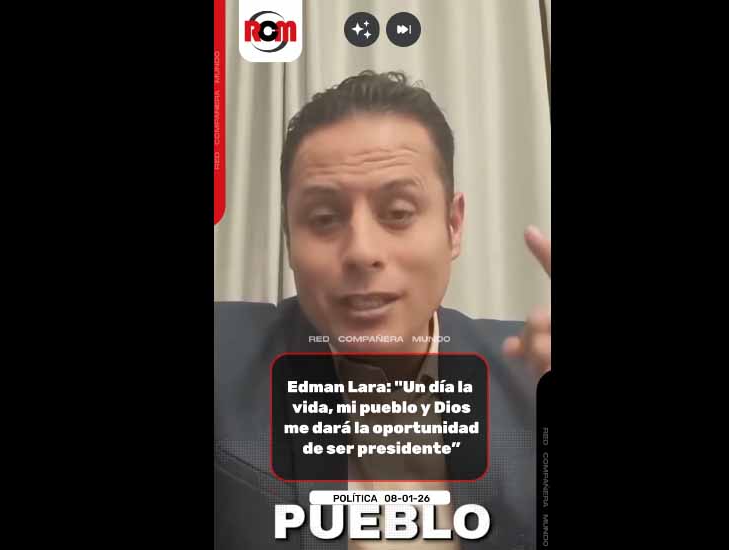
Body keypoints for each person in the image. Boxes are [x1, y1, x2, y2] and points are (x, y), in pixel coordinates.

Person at [215, 70, 550, 549]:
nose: (361, 251)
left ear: (453, 226)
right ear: (289, 239)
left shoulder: (533, 374)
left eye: (398, 213)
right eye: (324, 218)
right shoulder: (224, 359)